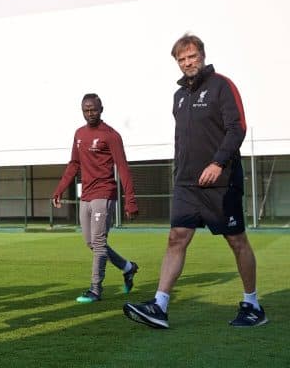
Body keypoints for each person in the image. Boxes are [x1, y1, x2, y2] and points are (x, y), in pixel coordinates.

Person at [123, 34, 267, 328]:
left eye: (192, 56)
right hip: (187, 184)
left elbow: (237, 128)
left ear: (202, 55)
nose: (188, 63)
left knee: (236, 240)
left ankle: (252, 304)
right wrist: (180, 174)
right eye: (181, 59)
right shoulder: (179, 96)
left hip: (221, 182)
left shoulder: (222, 86)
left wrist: (218, 162)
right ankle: (160, 306)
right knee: (177, 238)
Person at [52, 93, 139, 304]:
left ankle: (95, 289)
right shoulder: (79, 133)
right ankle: (128, 267)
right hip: (87, 195)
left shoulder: (111, 135)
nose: (90, 113)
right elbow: (74, 164)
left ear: (101, 109)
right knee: (91, 242)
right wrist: (60, 189)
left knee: (99, 243)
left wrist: (130, 200)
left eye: (93, 109)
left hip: (104, 193)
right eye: (86, 110)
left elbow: (123, 168)